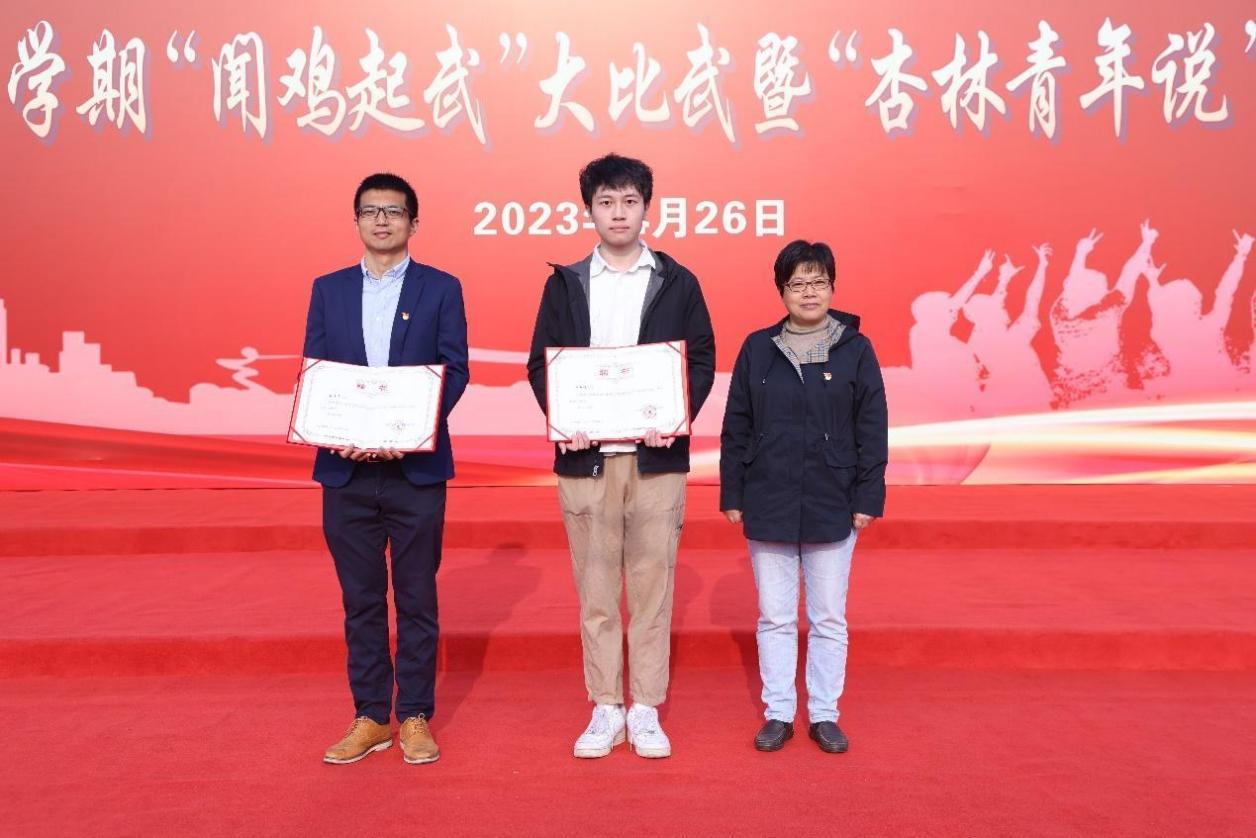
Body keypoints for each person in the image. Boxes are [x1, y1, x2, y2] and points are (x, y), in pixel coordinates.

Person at [527, 153, 716, 759]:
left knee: (654, 588)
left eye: (629, 201)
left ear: (646, 208)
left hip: (656, 459)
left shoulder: (677, 281)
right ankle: (606, 705)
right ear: (588, 210)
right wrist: (566, 421)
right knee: (597, 590)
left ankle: (646, 708)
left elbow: (701, 360)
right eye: (606, 202)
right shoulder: (565, 283)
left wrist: (675, 416)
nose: (618, 213)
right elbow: (541, 364)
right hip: (586, 460)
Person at [303, 172, 469, 766]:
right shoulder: (328, 289)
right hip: (345, 471)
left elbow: (455, 369)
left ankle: (415, 715)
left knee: (417, 596)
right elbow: (318, 371)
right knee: (362, 599)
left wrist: (408, 431)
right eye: (370, 211)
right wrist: (337, 432)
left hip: (415, 471)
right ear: (356, 221)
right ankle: (371, 715)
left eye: (393, 212)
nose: (381, 220)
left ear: (413, 223)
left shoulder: (441, 288)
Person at [719, 239, 887, 754]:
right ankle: (778, 712)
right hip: (768, 493)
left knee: (828, 616)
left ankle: (824, 713)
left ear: (833, 287)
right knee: (774, 616)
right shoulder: (758, 347)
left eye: (818, 282)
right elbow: (737, 423)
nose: (809, 292)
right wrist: (732, 491)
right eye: (798, 283)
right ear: (782, 291)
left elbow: (872, 427)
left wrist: (868, 496)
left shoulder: (856, 349)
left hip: (832, 496)